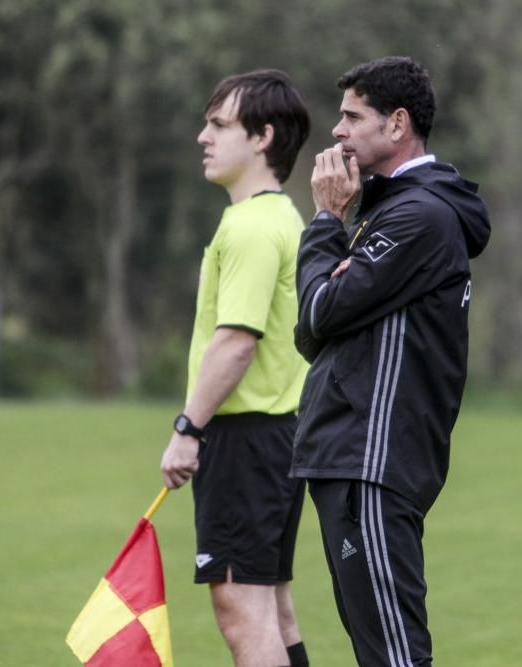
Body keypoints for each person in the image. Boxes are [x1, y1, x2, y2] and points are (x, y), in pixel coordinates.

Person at [292, 56, 491, 666]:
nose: (337, 131)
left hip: (371, 462)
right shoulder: (391, 209)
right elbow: (319, 325)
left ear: (397, 123)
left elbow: (320, 312)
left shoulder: (418, 216)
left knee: (395, 657)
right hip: (352, 459)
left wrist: (327, 220)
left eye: (353, 116)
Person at [160, 69, 311, 667]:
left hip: (246, 443)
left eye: (218, 124)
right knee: (273, 608)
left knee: (243, 615)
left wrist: (187, 429)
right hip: (279, 440)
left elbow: (237, 342)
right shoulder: (281, 217)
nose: (203, 136)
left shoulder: (251, 227)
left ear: (262, 137)